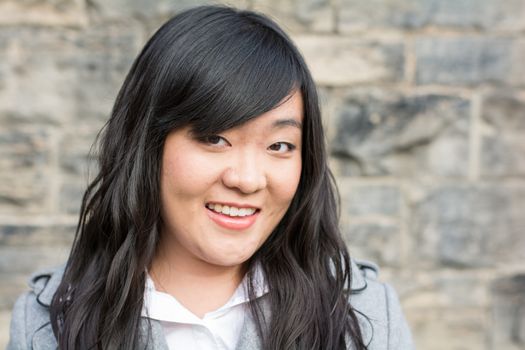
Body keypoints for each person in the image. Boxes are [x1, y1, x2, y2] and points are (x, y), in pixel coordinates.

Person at [7, 5, 414, 350]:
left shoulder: (361, 318)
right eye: (215, 138)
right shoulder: (51, 323)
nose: (248, 179)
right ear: (147, 143)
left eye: (279, 146)